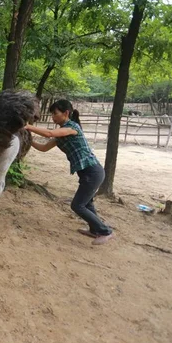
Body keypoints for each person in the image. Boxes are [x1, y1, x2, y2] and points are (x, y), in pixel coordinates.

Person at [25, 99, 114, 245]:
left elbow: (48, 133)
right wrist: (29, 140)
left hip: (93, 172)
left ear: (66, 113)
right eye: (52, 114)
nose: (53, 117)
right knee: (87, 203)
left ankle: (106, 231)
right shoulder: (60, 136)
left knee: (77, 205)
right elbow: (43, 148)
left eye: (55, 113)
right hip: (87, 174)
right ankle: (94, 230)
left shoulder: (72, 127)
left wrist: (27, 126)